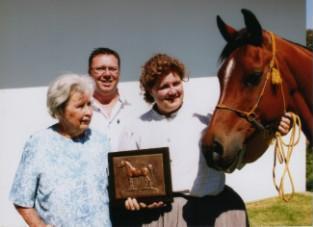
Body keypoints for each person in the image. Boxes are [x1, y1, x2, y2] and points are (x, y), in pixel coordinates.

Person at [113, 53, 291, 227]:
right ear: (150, 91)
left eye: (176, 83)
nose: (173, 91)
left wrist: (269, 133)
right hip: (162, 217)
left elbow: (239, 159)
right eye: (164, 86)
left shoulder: (207, 119)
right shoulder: (134, 128)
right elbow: (126, 183)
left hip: (214, 211)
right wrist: (132, 199)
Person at [9, 74, 112, 227]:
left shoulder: (101, 142)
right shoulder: (39, 143)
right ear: (60, 108)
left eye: (89, 104)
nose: (89, 112)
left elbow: (117, 190)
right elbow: (21, 199)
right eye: (80, 106)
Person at [88, 47, 137, 151]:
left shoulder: (135, 111)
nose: (107, 74)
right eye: (100, 69)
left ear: (119, 73)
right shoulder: (80, 111)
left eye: (112, 69)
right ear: (90, 73)